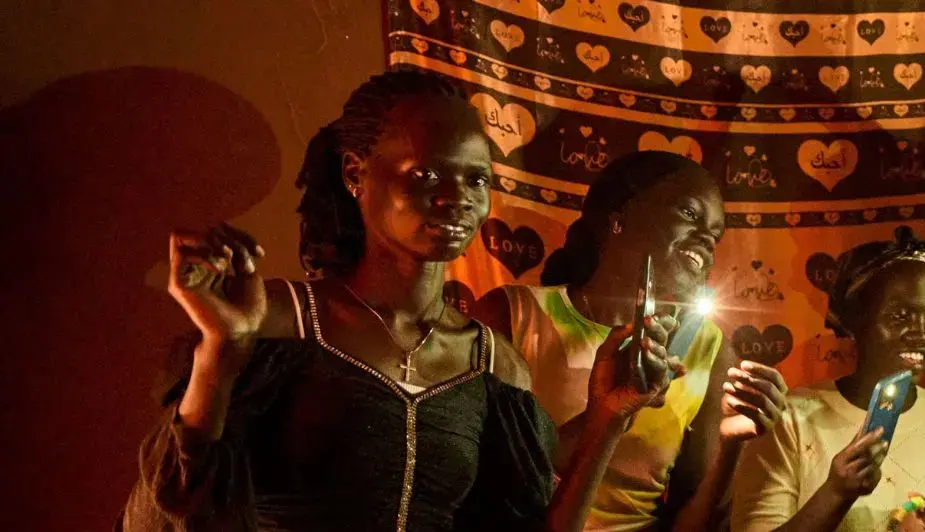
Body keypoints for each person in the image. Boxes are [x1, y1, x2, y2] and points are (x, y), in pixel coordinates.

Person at [122, 68, 673, 531]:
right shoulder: (278, 320)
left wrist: (607, 416)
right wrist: (222, 348)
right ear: (355, 174)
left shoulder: (493, 364)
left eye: (477, 180)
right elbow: (173, 507)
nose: (457, 198)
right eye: (427, 174)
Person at [469, 151, 790, 531]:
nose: (706, 239)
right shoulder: (512, 315)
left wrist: (732, 447)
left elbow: (694, 521)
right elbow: (489, 476)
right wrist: (606, 414)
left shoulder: (708, 348)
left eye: (715, 234)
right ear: (618, 219)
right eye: (689, 214)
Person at [728, 227, 925, 532]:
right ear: (856, 322)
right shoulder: (787, 422)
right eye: (900, 315)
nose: (922, 332)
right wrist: (835, 493)